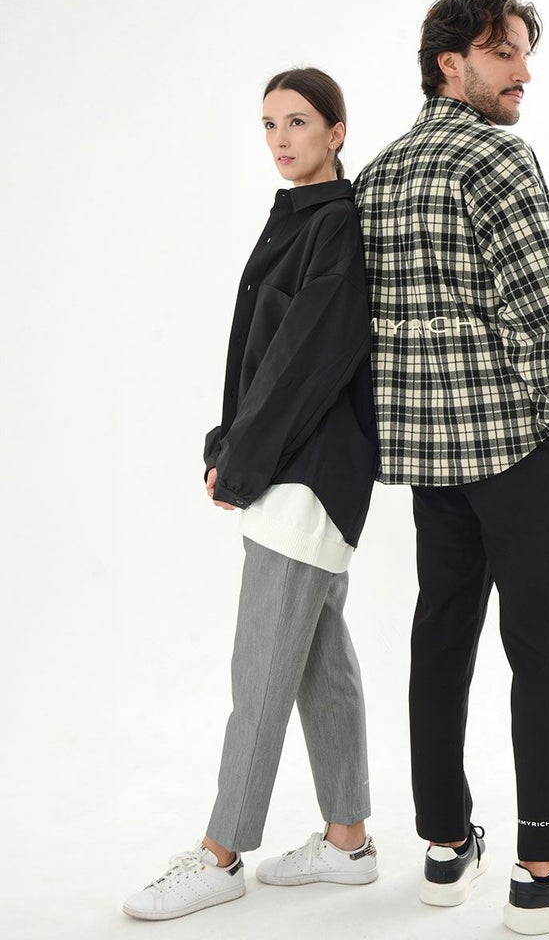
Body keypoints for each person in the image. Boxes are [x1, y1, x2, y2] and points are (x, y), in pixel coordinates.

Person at [353, 0, 549, 935]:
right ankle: (547, 869)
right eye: (503, 53)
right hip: (524, 445)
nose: (523, 72)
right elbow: (545, 309)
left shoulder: (381, 172)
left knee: (441, 639)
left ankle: (445, 845)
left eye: (522, 53)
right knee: (541, 653)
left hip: (435, 456)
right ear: (452, 64)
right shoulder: (496, 158)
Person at [123, 67, 380, 922]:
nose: (280, 139)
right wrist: (227, 442)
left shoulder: (334, 224)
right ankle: (348, 841)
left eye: (298, 122)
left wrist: (240, 463)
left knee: (261, 668)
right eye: (269, 124)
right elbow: (262, 357)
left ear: (336, 132)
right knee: (316, 662)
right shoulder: (298, 218)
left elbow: (306, 363)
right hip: (293, 467)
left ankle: (221, 854)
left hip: (308, 473)